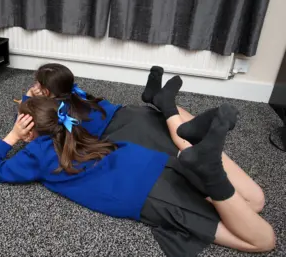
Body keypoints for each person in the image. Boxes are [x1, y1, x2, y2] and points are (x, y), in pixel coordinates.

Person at [0, 97, 276, 256]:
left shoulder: (33, 157)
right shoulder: (75, 124)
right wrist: (42, 101)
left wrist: (13, 135)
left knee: (263, 241)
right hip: (154, 162)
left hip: (147, 194)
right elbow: (75, 103)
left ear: (29, 130)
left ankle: (210, 172)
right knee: (256, 200)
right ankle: (200, 151)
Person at [21, 63, 266, 213]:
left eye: (36, 84)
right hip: (132, 114)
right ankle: (163, 105)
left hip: (128, 134)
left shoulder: (56, 114)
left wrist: (27, 98)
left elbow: (29, 126)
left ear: (45, 91)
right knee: (181, 132)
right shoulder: (77, 94)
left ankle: (169, 110)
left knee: (252, 203)